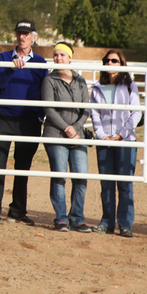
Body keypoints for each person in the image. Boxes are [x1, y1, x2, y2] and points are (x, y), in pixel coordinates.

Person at [0, 19, 47, 225]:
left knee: (22, 167)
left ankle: (17, 211)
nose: (22, 37)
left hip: (28, 121)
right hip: (4, 117)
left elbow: (43, 91)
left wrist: (39, 117)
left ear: (33, 37)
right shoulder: (3, 57)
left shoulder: (40, 62)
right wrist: (11, 68)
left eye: (26, 34)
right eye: (19, 33)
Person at [42, 42, 91, 232]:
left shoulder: (80, 81)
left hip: (77, 136)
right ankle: (61, 218)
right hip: (56, 134)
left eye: (62, 55)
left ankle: (77, 218)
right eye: (56, 55)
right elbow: (49, 108)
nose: (58, 58)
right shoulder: (49, 80)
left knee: (80, 176)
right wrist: (66, 129)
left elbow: (86, 109)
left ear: (70, 57)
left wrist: (76, 129)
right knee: (59, 176)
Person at [91, 50, 140, 237]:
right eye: (107, 60)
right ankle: (107, 222)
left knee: (125, 184)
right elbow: (94, 113)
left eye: (114, 60)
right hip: (104, 140)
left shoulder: (129, 85)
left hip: (125, 140)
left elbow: (136, 112)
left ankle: (126, 224)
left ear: (121, 63)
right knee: (106, 184)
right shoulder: (97, 86)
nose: (110, 63)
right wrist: (102, 135)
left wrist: (121, 134)